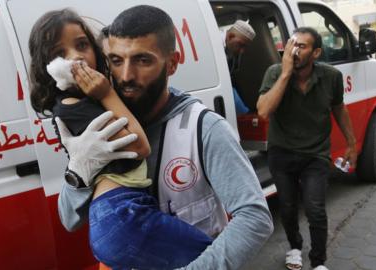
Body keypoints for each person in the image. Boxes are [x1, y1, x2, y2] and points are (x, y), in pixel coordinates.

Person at [57, 5, 273, 269]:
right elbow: (70, 219)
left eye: (142, 60)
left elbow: (255, 218)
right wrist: (77, 172)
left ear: (172, 63)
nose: (125, 76)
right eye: (116, 61)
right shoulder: (100, 125)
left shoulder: (203, 128)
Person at [28, 9, 214, 269]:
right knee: (212, 255)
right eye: (60, 54)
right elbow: (140, 146)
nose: (76, 57)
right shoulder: (76, 104)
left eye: (82, 45)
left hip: (126, 215)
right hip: (121, 215)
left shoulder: (92, 100)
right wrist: (76, 173)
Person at [257, 27, 357, 270]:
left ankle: (319, 261)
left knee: (315, 209)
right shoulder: (274, 72)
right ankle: (294, 247)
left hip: (315, 154)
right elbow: (263, 111)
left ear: (316, 53)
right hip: (282, 153)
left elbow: (339, 108)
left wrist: (352, 143)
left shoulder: (331, 76)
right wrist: (285, 74)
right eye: (292, 44)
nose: (294, 50)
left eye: (302, 46)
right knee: (288, 207)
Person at [224, 20, 255, 114]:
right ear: (230, 36)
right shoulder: (213, 46)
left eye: (245, 47)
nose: (242, 51)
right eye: (241, 45)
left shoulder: (233, 50)